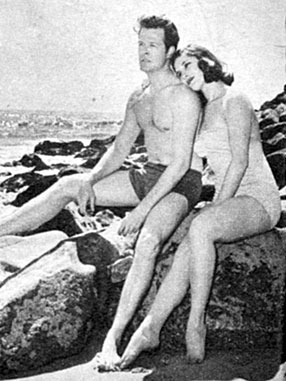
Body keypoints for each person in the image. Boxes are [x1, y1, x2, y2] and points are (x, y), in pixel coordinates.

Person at [0, 16, 203, 368]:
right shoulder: (139, 97)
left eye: (152, 45)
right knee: (69, 184)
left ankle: (112, 340)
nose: (143, 52)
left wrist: (141, 211)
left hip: (180, 182)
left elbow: (178, 165)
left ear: (170, 50)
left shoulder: (185, 96)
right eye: (140, 44)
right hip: (147, 175)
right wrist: (89, 179)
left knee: (147, 240)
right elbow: (119, 150)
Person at [116, 44, 281, 370]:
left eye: (188, 65)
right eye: (179, 71)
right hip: (232, 200)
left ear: (207, 62)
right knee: (187, 247)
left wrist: (216, 207)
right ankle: (152, 326)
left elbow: (239, 161)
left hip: (259, 199)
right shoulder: (204, 109)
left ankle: (196, 322)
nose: (184, 74)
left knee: (201, 227)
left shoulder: (236, 100)